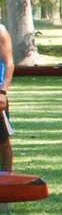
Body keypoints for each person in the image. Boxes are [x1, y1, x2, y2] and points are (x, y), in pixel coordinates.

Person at [0, 24, 14, 172]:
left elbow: (9, 63)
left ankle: (6, 178)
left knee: (2, 139)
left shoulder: (1, 31)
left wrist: (3, 91)